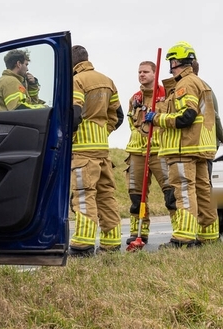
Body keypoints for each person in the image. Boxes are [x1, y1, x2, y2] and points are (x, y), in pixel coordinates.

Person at [144, 42, 218, 247]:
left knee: (184, 190)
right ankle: (209, 234)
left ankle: (183, 238)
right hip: (199, 147)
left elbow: (186, 116)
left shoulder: (185, 84)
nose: (171, 65)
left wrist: (157, 118)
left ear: (176, 61)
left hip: (182, 147)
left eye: (172, 62)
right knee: (204, 191)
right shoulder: (201, 82)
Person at [69, 45, 123, 255]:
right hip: (102, 150)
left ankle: (83, 244)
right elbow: (117, 116)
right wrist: (102, 131)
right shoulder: (107, 80)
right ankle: (112, 242)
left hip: (82, 150)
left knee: (83, 196)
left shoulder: (77, 81)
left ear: (72, 63)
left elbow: (75, 113)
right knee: (106, 195)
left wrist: (69, 136)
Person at [124, 60, 171, 247]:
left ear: (155, 73)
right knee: (136, 195)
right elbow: (130, 123)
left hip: (159, 150)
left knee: (171, 193)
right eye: (139, 72)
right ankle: (139, 232)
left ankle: (179, 231)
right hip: (137, 151)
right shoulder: (135, 98)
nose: (141, 75)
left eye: (145, 72)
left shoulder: (164, 95)